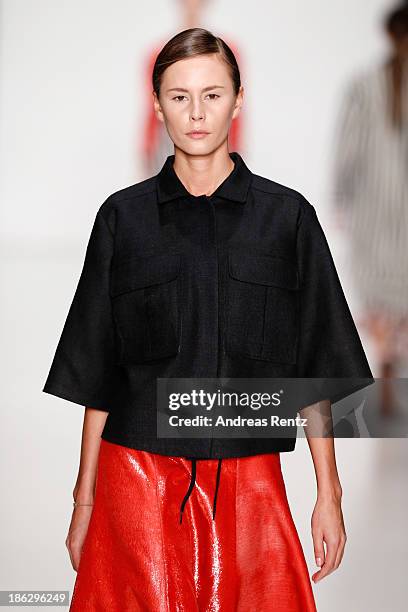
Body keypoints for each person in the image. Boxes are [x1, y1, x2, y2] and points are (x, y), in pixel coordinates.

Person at [43, 28, 374, 611]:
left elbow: (315, 368)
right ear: (157, 105)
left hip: (251, 483)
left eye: (213, 95)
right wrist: (84, 503)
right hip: (136, 480)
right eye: (179, 96)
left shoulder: (287, 219)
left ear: (239, 100)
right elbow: (98, 375)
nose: (196, 113)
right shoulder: (122, 219)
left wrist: (330, 494)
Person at [332, 2, 408, 415]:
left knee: (380, 298)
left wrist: (340, 197)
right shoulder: (365, 85)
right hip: (399, 218)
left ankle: (386, 365)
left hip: (373, 213)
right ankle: (394, 366)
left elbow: (347, 152)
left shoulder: (363, 86)